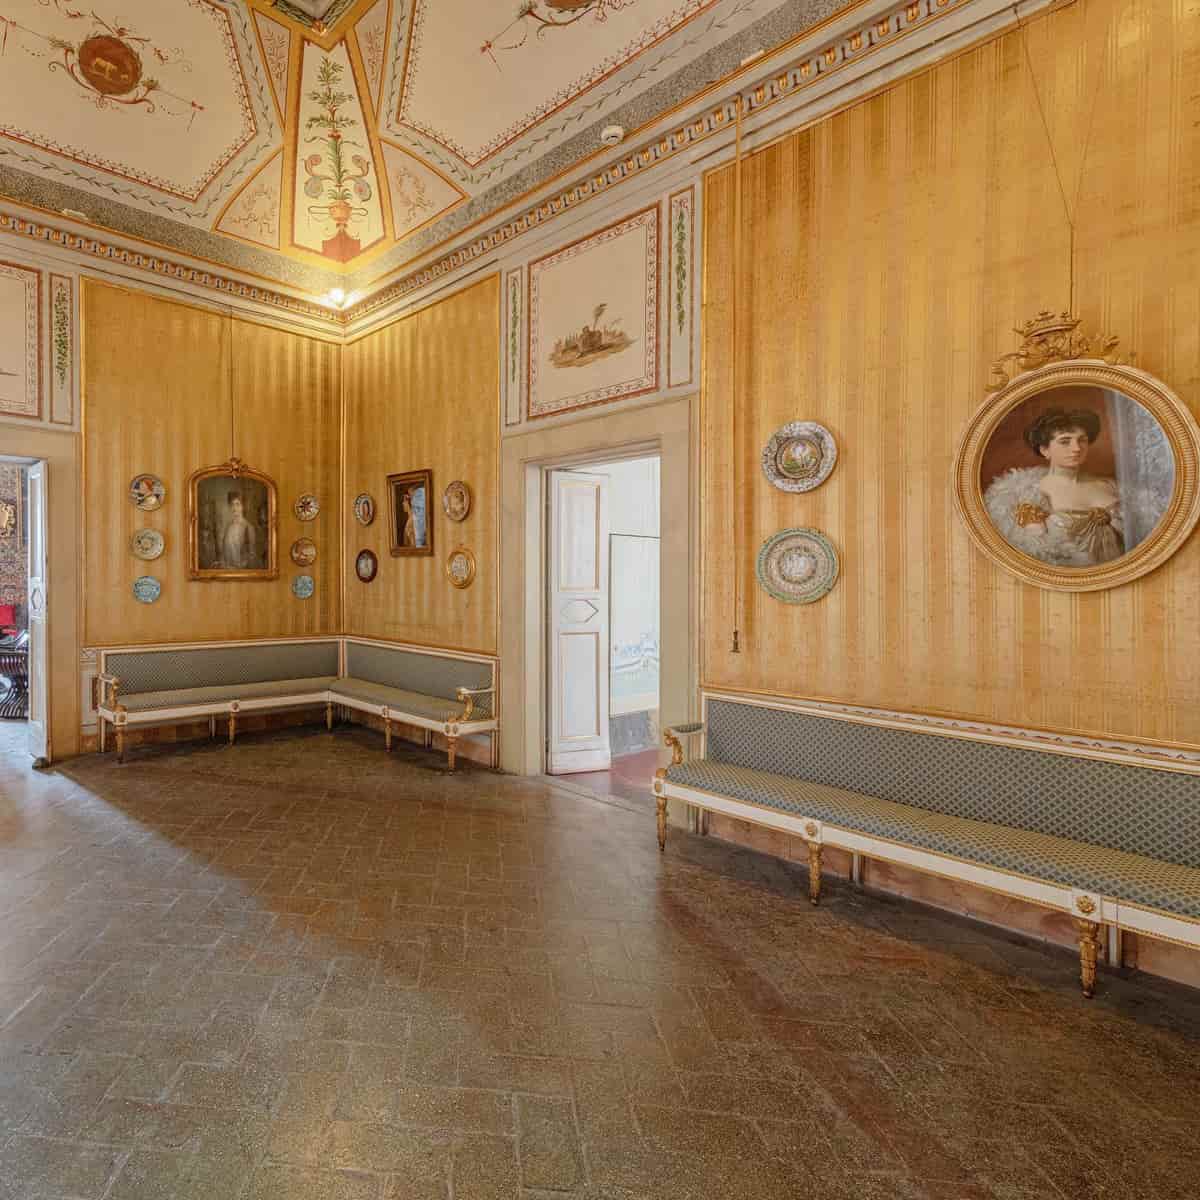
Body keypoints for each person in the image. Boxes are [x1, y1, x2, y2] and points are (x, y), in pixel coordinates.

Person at [984, 408, 1124, 566]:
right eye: (1065, 441)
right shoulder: (1030, 493)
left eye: (1082, 440)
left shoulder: (1110, 485)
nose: (1077, 448)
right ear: (1045, 450)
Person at [221, 490, 257, 568]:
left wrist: (241, 566)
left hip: (241, 570)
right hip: (227, 570)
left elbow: (252, 555)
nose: (234, 508)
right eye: (232, 504)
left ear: (243, 506)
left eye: (237, 504)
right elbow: (224, 552)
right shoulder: (228, 527)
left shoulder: (248, 527)